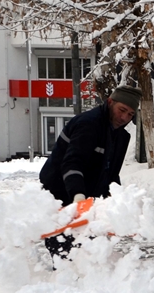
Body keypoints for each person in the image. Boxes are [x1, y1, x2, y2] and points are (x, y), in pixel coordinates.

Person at [39, 84, 140, 256]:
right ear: (110, 102)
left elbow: (111, 173)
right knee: (64, 254)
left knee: (88, 254)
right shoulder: (88, 124)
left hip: (89, 200)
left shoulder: (122, 137)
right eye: (121, 110)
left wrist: (116, 201)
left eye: (130, 114)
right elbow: (72, 162)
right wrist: (78, 196)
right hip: (61, 192)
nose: (124, 117)